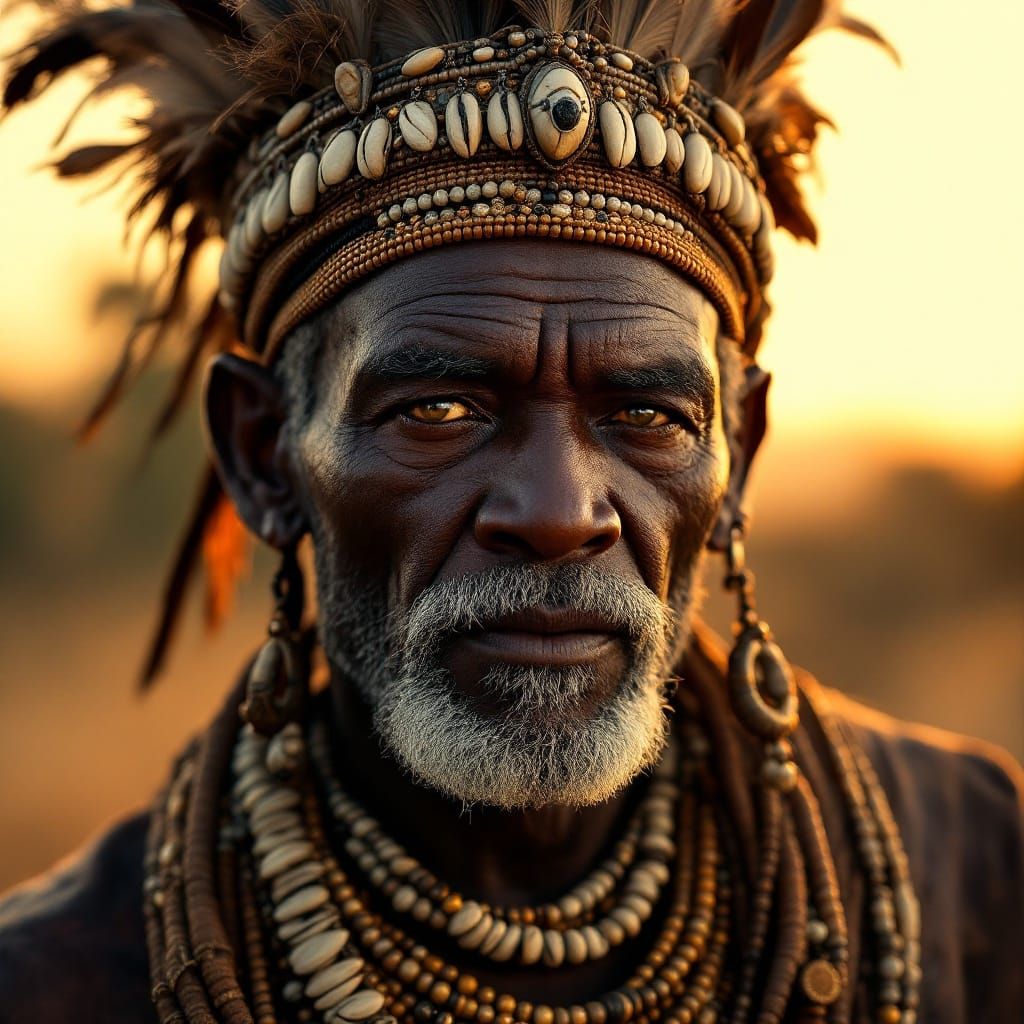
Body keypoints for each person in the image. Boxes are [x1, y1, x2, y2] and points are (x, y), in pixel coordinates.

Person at [0, 1, 1020, 1022]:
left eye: (645, 414)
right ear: (264, 454)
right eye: (438, 410)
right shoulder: (59, 985)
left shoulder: (974, 870)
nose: (558, 511)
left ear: (738, 453)